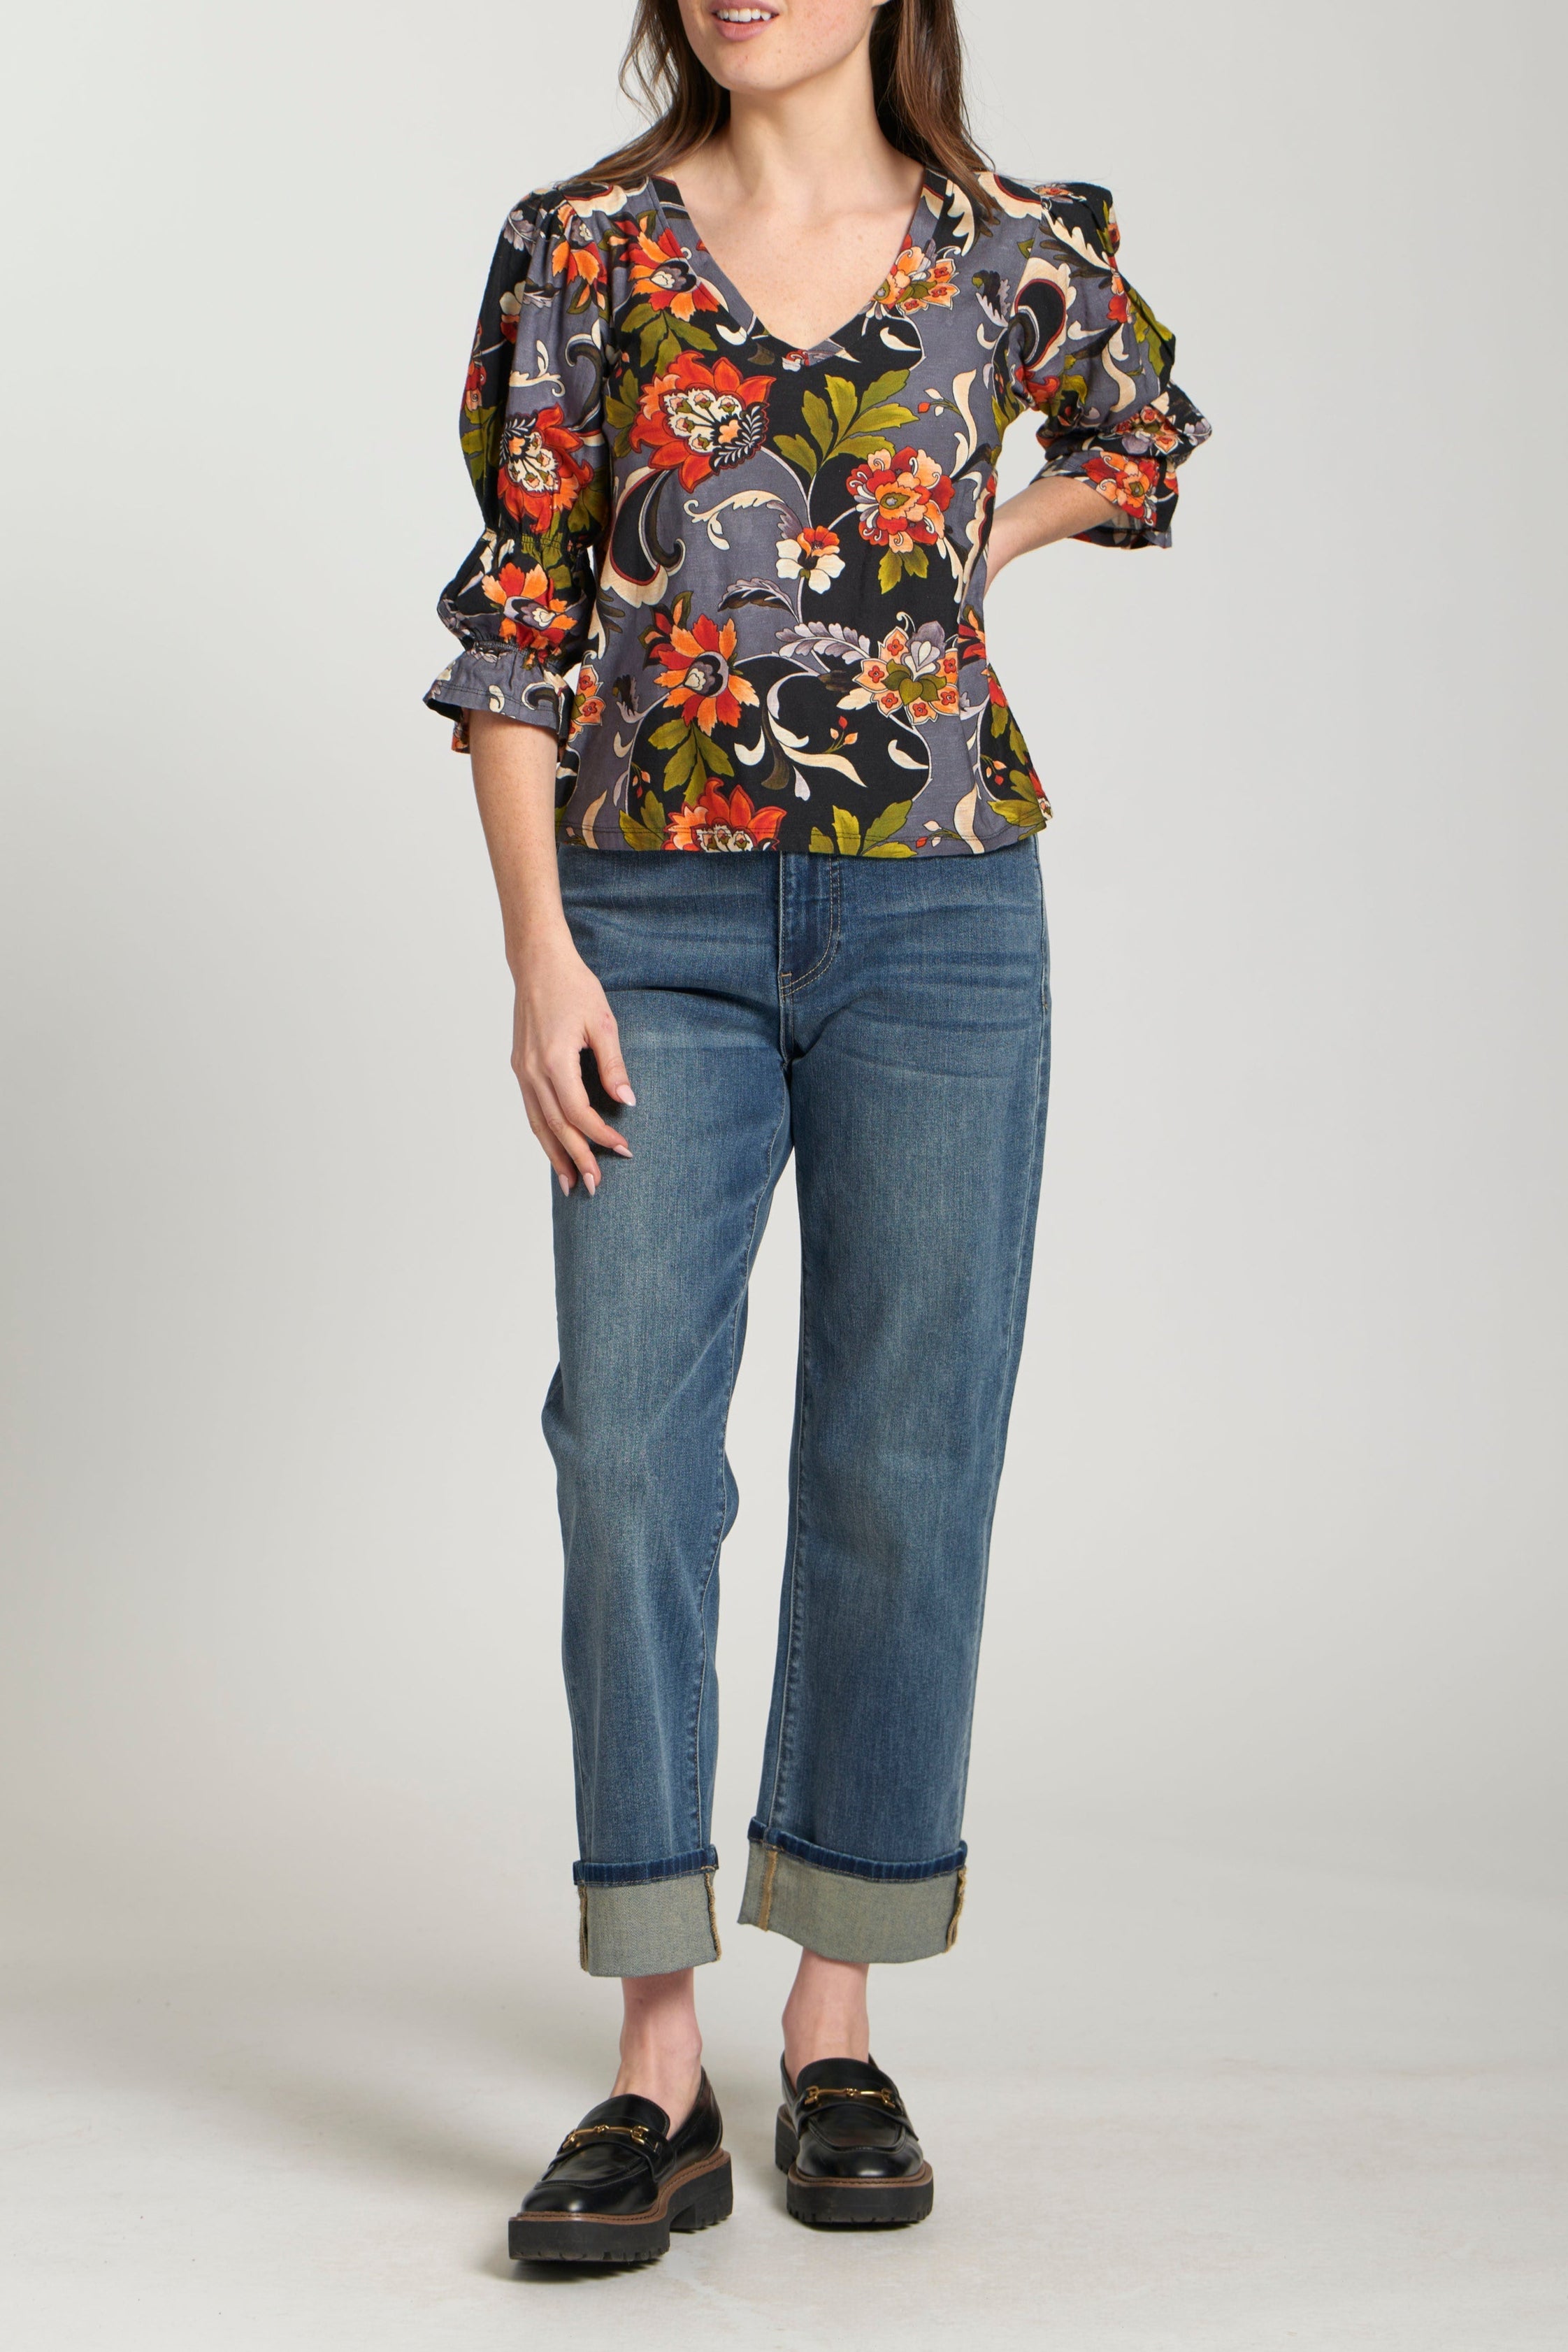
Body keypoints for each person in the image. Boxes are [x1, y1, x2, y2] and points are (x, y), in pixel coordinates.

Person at [425, 0, 1209, 2263]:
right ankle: (654, 2059)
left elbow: (1145, 436)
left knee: (901, 1447)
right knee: (624, 1451)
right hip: (644, 916)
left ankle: (835, 2018)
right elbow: (517, 612)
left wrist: (977, 539)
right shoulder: (579, 251)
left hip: (938, 917)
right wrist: (539, 951)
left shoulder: (1014, 244)